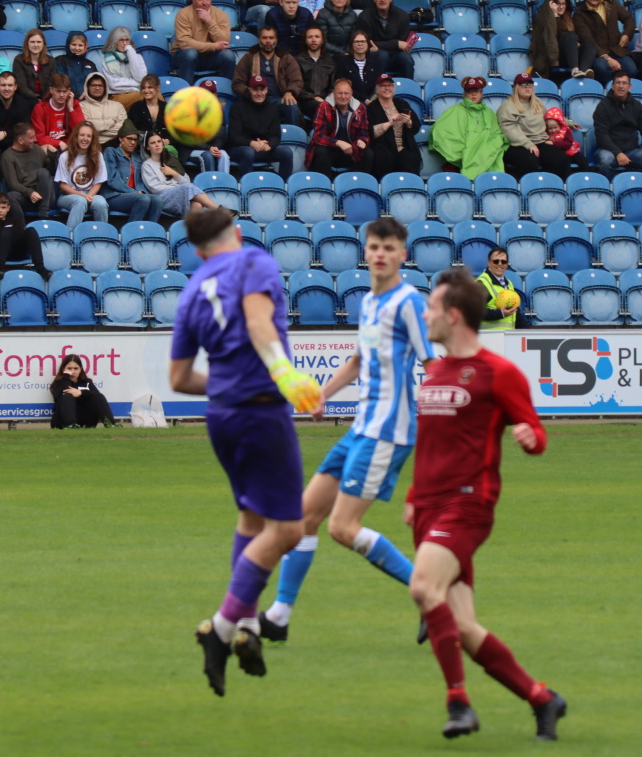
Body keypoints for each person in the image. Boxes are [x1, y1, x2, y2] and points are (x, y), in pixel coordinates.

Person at [406, 267, 565, 742]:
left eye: (431, 307)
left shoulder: (500, 373)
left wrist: (527, 437)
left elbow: (537, 435)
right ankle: (542, 698)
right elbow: (429, 445)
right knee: (463, 626)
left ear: (453, 316)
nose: (426, 314)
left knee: (421, 588)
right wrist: (414, 498)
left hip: (468, 506)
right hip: (429, 508)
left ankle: (459, 703)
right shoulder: (434, 370)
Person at [259, 218, 435, 645]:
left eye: (389, 248)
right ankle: (279, 616)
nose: (380, 254)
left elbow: (433, 364)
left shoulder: (408, 302)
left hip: (388, 431)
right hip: (361, 427)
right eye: (374, 246)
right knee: (303, 519)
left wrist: (439, 425)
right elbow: (358, 360)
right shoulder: (370, 302)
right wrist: (323, 395)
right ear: (366, 251)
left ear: (402, 255)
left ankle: (432, 595)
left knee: (342, 527)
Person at [168, 207, 320, 697]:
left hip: (222, 417)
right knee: (291, 528)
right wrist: (282, 372)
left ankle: (249, 626)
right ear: (235, 234)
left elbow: (178, 379)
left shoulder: (191, 291)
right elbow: (259, 322)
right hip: (260, 413)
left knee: (252, 522)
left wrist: (228, 382)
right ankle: (223, 625)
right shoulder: (253, 261)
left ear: (196, 251)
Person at [497, 72, 574, 179]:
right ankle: (528, 189)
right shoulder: (508, 106)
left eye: (530, 84)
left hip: (540, 141)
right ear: (516, 88)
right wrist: (528, 144)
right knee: (530, 161)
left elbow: (550, 116)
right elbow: (509, 129)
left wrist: (568, 122)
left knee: (561, 159)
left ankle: (554, 187)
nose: (527, 87)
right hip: (517, 145)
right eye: (523, 85)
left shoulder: (537, 103)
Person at [430, 77, 507, 179]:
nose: (473, 94)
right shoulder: (454, 111)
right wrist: (466, 153)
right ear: (465, 94)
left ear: (481, 93)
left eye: (476, 91)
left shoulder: (489, 113)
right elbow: (441, 133)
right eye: (470, 91)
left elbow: (496, 135)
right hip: (464, 156)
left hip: (486, 154)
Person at [142, 132, 229, 217]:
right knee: (187, 188)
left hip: (180, 194)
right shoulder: (147, 165)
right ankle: (217, 209)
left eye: (159, 141)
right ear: (148, 147)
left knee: (197, 204)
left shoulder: (171, 160)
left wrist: (174, 174)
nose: (157, 145)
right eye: (153, 143)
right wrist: (178, 189)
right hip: (162, 198)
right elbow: (155, 188)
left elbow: (186, 180)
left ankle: (196, 231)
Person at [233, 25, 305, 126]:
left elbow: (297, 80)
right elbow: (237, 82)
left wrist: (290, 92)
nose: (268, 41)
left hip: (279, 99)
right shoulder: (249, 57)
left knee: (291, 105)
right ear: (259, 39)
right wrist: (250, 93)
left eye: (271, 38)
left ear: (276, 40)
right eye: (264, 38)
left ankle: (293, 136)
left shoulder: (285, 57)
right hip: (255, 98)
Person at [592, 71, 642, 178]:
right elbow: (601, 135)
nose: (621, 86)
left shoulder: (636, 105)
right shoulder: (603, 106)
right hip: (609, 150)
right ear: (613, 86)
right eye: (618, 83)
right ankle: (609, 188)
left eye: (624, 83)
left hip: (632, 150)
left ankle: (635, 184)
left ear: (629, 87)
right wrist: (618, 153)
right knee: (606, 160)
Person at [227, 75, 294, 178]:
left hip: (263, 148)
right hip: (242, 149)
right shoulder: (237, 107)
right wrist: (252, 143)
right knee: (248, 152)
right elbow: (234, 136)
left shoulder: (272, 109)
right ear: (249, 89)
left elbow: (276, 136)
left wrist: (269, 145)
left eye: (262, 89)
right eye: (255, 90)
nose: (259, 93)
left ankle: (284, 187)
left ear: (267, 90)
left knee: (286, 152)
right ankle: (246, 186)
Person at [305, 78, 372, 178]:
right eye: (340, 93)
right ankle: (326, 185)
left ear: (351, 94)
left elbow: (365, 134)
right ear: (334, 93)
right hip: (330, 149)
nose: (343, 96)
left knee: (368, 153)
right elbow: (318, 136)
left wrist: (362, 141)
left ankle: (358, 184)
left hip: (351, 150)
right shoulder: (323, 107)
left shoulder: (360, 108)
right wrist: (338, 142)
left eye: (346, 93)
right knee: (320, 151)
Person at [100, 122, 164, 223]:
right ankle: (133, 232)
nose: (133, 142)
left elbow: (142, 180)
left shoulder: (137, 158)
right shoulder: (111, 152)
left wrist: (141, 191)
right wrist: (134, 192)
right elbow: (112, 180)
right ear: (121, 138)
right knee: (143, 199)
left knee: (157, 200)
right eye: (129, 138)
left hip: (135, 196)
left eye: (135, 139)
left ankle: (150, 232)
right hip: (114, 195)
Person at [366, 73, 421, 179]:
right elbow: (371, 132)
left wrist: (409, 122)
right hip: (383, 149)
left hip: (403, 148)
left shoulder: (402, 104)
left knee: (410, 157)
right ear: (377, 89)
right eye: (383, 86)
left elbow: (416, 126)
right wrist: (389, 123)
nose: (387, 88)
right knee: (384, 158)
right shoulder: (371, 108)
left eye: (390, 85)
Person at [55, 121, 110, 228]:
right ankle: (70, 236)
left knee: (101, 203)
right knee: (80, 202)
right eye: (82, 135)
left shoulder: (98, 156)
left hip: (90, 194)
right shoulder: (65, 156)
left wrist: (88, 195)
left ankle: (102, 235)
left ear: (92, 139)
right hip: (68, 196)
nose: (85, 138)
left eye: (89, 136)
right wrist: (83, 196)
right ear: (76, 136)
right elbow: (63, 186)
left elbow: (98, 182)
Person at [0, 193, 46, 275]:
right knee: (6, 231)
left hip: (14, 252)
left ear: (8, 208)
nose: (0, 210)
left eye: (3, 208)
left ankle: (40, 268)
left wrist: (3, 232)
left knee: (31, 230)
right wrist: (4, 233)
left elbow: (18, 236)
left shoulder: (14, 220)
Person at [172, 0, 238, 84]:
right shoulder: (183, 14)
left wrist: (209, 21)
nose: (204, 2)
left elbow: (224, 41)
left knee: (228, 55)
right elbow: (185, 43)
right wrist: (214, 46)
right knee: (190, 54)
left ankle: (227, 91)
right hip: (183, 55)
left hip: (209, 56)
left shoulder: (221, 15)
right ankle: (185, 91)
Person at [574, 0, 638, 85]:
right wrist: (608, 59)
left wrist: (627, 34)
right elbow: (588, 40)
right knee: (602, 68)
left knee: (632, 70)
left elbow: (629, 18)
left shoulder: (612, 4)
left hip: (617, 50)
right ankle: (607, 93)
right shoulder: (579, 14)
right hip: (597, 54)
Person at [0, 122, 56, 220]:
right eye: (31, 137)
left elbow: (51, 173)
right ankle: (20, 227)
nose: (35, 140)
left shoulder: (37, 150)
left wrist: (53, 156)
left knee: (43, 172)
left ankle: (43, 216)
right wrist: (29, 192)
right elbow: (13, 184)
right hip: (25, 195)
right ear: (21, 140)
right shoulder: (8, 156)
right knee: (11, 196)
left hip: (44, 196)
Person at [531, 0, 595, 80]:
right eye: (558, 4)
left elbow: (576, 36)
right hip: (554, 56)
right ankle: (574, 70)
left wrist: (576, 42)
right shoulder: (543, 18)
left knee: (590, 44)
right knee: (570, 36)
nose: (561, 7)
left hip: (571, 55)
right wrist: (554, 15)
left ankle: (583, 71)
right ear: (551, 4)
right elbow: (555, 33)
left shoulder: (568, 18)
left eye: (563, 4)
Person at [51, 354, 118, 429]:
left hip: (85, 419)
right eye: (69, 369)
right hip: (62, 421)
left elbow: (97, 397)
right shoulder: (59, 382)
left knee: (98, 396)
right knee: (67, 396)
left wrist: (81, 393)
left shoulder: (87, 382)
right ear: (63, 369)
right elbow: (57, 397)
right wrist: (66, 377)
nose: (73, 372)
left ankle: (111, 424)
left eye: (76, 368)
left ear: (80, 369)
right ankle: (71, 425)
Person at [31, 74, 83, 167]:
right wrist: (59, 143)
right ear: (51, 90)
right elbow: (38, 136)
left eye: (65, 91)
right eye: (58, 91)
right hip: (51, 148)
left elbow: (81, 130)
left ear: (69, 91)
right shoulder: (40, 107)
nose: (62, 95)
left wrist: (71, 109)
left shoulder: (74, 104)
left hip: (71, 147)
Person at [355, 0, 415, 80]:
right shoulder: (364, 17)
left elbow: (403, 46)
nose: (382, 0)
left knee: (406, 58)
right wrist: (396, 44)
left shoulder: (402, 16)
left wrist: (379, 47)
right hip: (374, 58)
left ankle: (408, 89)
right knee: (382, 55)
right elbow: (366, 43)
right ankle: (376, 89)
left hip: (396, 56)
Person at [477, 248, 529, 330]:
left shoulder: (509, 284)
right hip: (488, 337)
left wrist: (527, 332)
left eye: (503, 261)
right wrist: (500, 313)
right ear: (489, 263)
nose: (500, 264)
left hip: (507, 337)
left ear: (507, 265)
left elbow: (515, 311)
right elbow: (475, 312)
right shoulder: (482, 283)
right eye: (496, 261)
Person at [101, 26, 149, 110]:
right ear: (114, 42)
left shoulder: (137, 57)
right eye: (121, 40)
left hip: (136, 93)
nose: (125, 43)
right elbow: (114, 84)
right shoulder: (107, 59)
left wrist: (131, 52)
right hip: (116, 96)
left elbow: (141, 78)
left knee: (156, 96)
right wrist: (136, 84)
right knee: (145, 96)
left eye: (127, 40)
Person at [297, 26, 338, 121]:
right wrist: (314, 97)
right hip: (306, 102)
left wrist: (328, 98)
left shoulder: (330, 62)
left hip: (327, 100)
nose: (313, 40)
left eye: (317, 36)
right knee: (323, 107)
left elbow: (333, 85)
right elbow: (297, 86)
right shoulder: (298, 60)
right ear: (305, 40)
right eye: (310, 37)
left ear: (322, 40)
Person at [77, 72, 128, 149]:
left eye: (100, 85)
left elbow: (123, 130)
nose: (97, 88)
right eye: (94, 85)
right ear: (87, 87)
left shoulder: (118, 106)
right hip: (91, 147)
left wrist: (96, 128)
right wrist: (111, 122)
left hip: (116, 146)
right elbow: (86, 131)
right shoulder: (81, 106)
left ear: (105, 87)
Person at [12, 29, 58, 104]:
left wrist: (43, 100)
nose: (36, 45)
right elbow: (21, 86)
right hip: (25, 100)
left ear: (43, 44)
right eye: (32, 42)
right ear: (27, 43)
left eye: (39, 42)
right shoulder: (18, 60)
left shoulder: (51, 61)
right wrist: (36, 98)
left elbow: (51, 84)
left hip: (46, 100)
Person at [544, 108, 589, 172]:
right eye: (550, 128)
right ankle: (566, 180)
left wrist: (554, 143)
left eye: (555, 127)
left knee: (583, 161)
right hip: (560, 155)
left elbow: (567, 144)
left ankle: (584, 176)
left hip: (572, 152)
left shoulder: (566, 131)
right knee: (564, 162)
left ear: (560, 125)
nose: (553, 130)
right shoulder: (547, 135)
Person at [56, 31, 97, 99]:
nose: (77, 48)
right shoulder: (60, 61)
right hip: (67, 100)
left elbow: (96, 83)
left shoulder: (91, 64)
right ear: (68, 45)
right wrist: (77, 96)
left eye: (80, 45)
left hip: (88, 100)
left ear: (85, 46)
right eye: (74, 45)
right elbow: (60, 83)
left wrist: (89, 93)